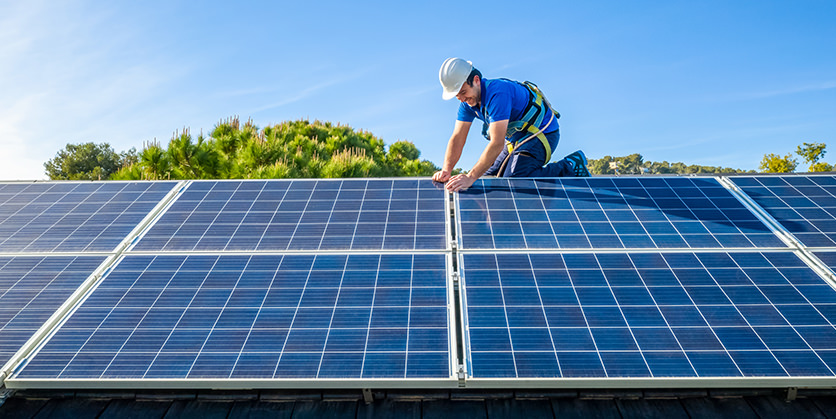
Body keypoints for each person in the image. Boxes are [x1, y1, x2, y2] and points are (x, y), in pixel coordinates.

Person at [432, 58, 590, 192]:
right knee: (486, 180)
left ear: (476, 80)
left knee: (513, 180)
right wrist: (447, 169)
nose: (461, 98)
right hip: (516, 139)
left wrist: (470, 176)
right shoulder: (467, 104)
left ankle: (570, 165)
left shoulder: (498, 94)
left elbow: (496, 143)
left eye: (463, 92)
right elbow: (458, 137)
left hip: (543, 133)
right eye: (457, 95)